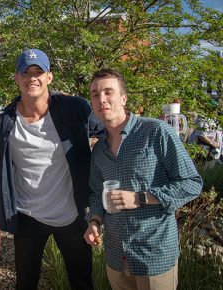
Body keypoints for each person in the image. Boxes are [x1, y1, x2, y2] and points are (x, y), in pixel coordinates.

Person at [0, 48, 102, 289]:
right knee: (26, 282)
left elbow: (107, 130)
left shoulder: (76, 109)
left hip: (72, 215)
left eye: (38, 72)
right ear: (17, 78)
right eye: (26, 72)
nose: (33, 78)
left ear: (49, 77)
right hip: (28, 217)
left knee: (82, 280)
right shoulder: (3, 124)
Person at [84, 69, 203, 290]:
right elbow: (95, 192)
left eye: (108, 92)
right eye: (94, 94)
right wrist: (94, 222)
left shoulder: (156, 132)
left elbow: (191, 183)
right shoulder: (99, 149)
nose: (101, 99)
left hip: (153, 257)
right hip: (116, 258)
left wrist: (140, 197)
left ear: (123, 98)